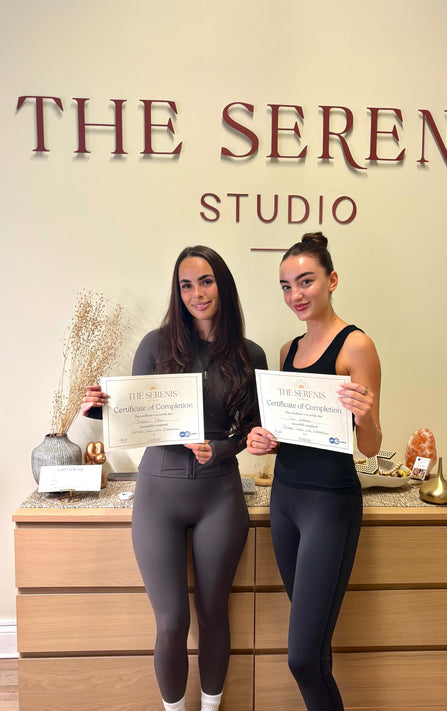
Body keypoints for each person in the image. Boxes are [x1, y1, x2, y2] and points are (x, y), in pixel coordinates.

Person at [82, 246, 267, 711]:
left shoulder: (250, 354)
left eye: (205, 281)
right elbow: (135, 417)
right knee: (170, 622)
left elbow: (252, 430)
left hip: (219, 493)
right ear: (177, 292)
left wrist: (220, 449)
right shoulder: (156, 345)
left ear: (222, 285)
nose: (196, 293)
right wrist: (102, 409)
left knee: (213, 614)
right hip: (158, 495)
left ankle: (210, 707)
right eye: (186, 285)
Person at [246, 232, 381, 711]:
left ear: (332, 280)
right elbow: (289, 432)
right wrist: (264, 439)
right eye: (286, 286)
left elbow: (370, 447)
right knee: (314, 650)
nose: (295, 295)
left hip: (329, 503)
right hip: (285, 501)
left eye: (305, 281)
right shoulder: (287, 350)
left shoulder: (356, 346)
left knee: (303, 658)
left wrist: (366, 417)